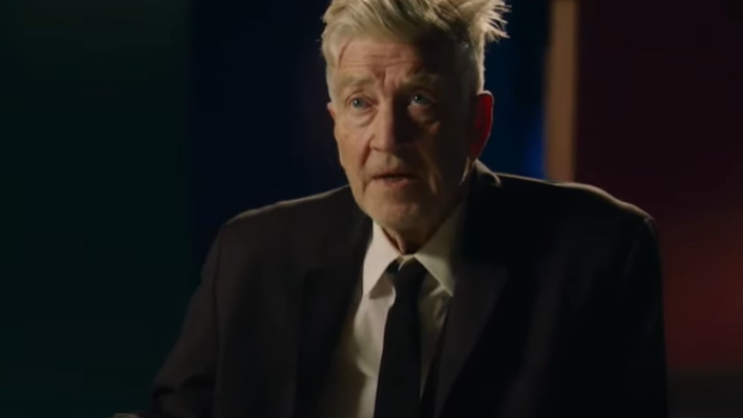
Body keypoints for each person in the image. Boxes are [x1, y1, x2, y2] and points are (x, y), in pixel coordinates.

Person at [126, 0, 668, 417]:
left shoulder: (597, 254)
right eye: (361, 103)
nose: (387, 138)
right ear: (337, 126)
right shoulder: (255, 254)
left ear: (477, 124)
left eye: (419, 100)